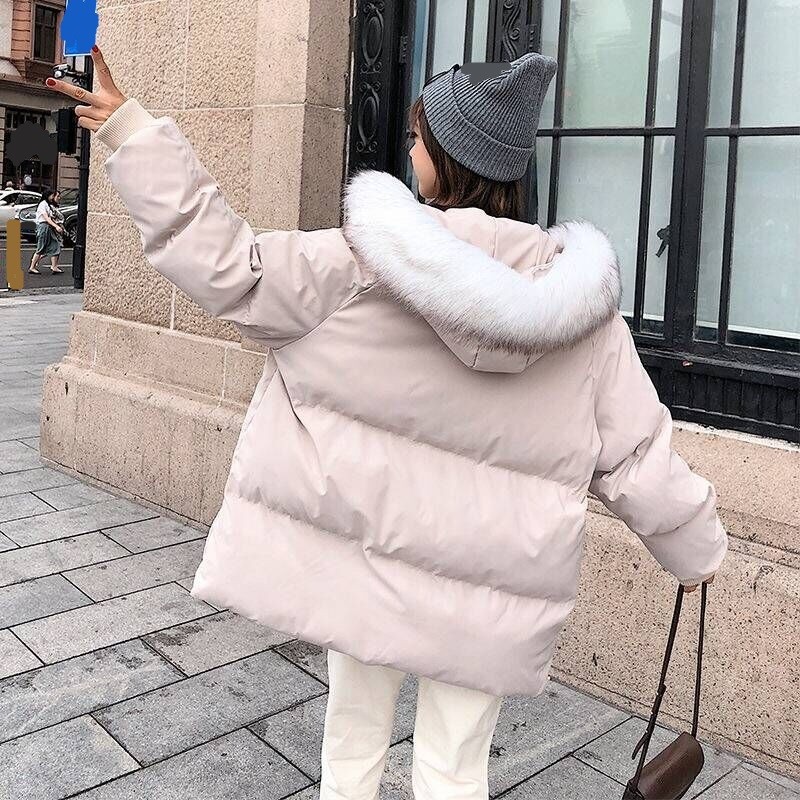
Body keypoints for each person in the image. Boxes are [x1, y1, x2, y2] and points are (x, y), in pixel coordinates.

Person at [46, 47, 727, 799]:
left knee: (352, 742)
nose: (409, 152)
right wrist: (696, 550)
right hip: (489, 590)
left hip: (371, 564)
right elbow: (637, 455)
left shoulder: (360, 262)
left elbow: (228, 264)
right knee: (454, 769)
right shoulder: (581, 313)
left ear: (447, 155)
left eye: (417, 138)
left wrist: (131, 129)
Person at [29, 188, 65, 275]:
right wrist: (56, 226)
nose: (53, 197)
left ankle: (54, 266)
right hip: (43, 227)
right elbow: (46, 218)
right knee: (41, 248)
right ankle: (32, 267)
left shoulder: (48, 205)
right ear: (48, 195)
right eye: (52, 195)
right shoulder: (43, 204)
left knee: (56, 245)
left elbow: (51, 218)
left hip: (48, 227)